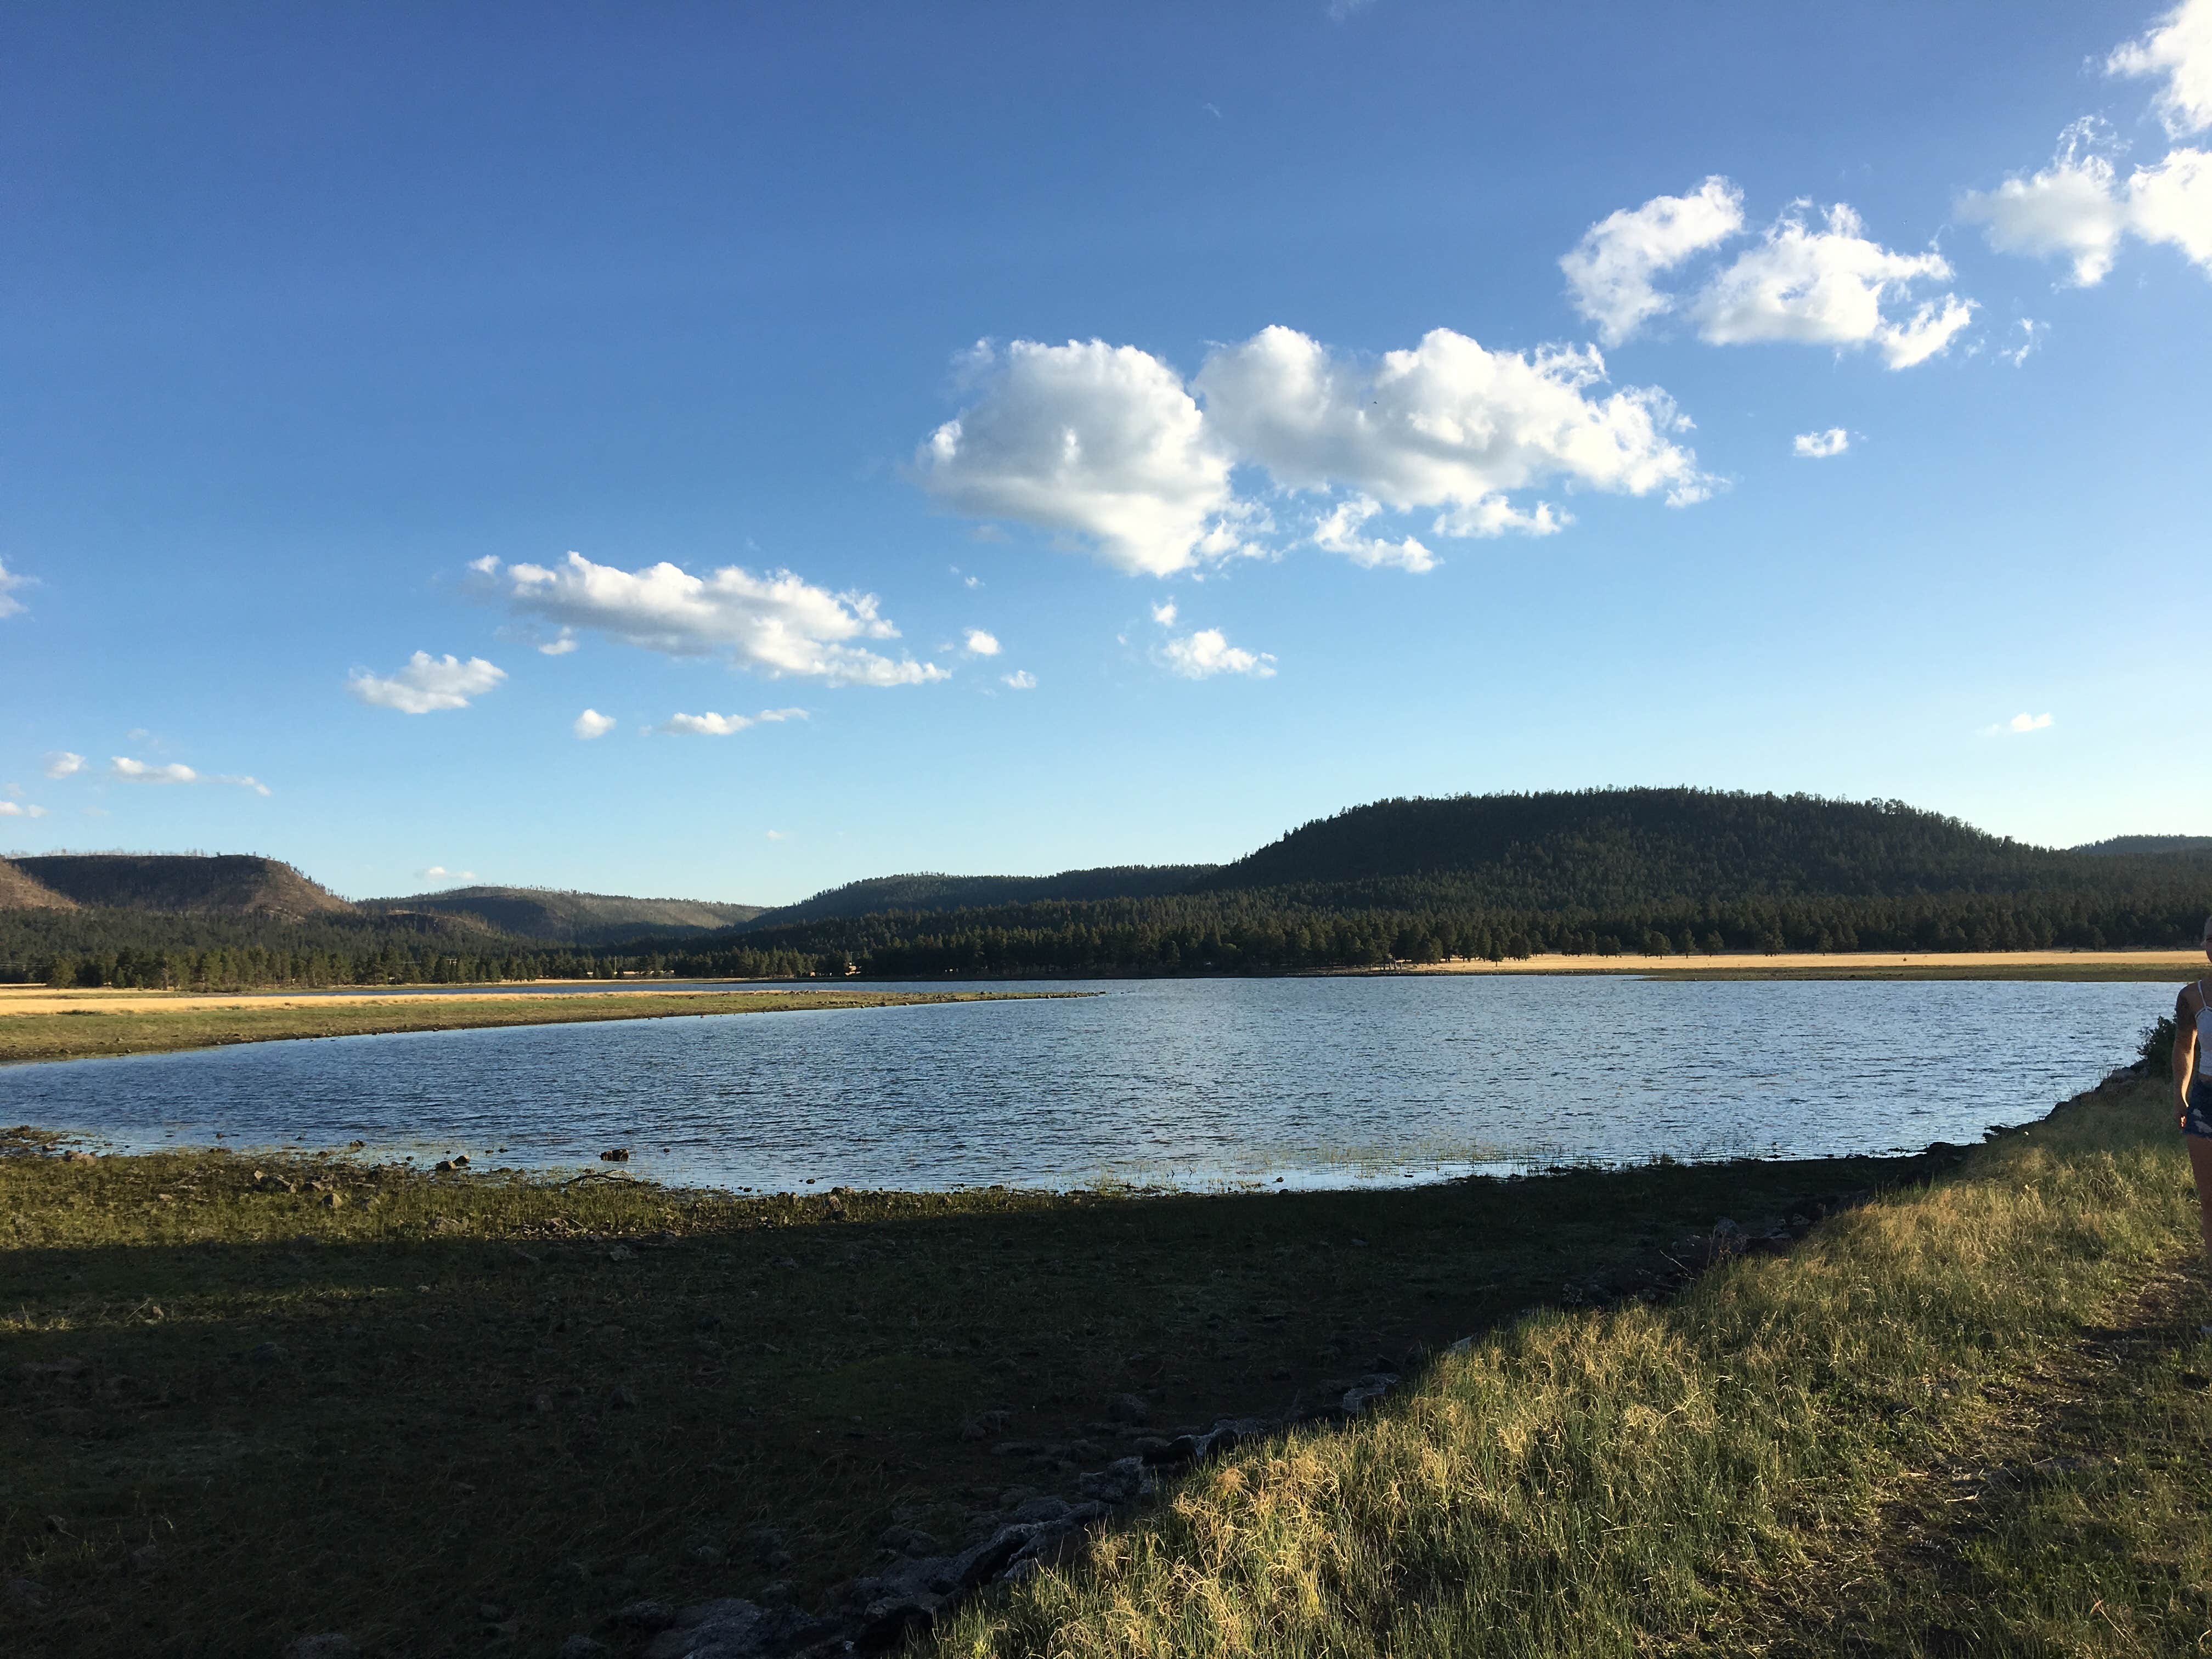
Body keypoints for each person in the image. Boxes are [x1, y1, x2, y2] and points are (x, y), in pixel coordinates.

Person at [2173, 914, 2212, 1273]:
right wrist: (2180, 1096)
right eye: (2211, 937)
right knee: (2209, 1203)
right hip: (2205, 1103)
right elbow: (2184, 1047)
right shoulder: (2192, 996)